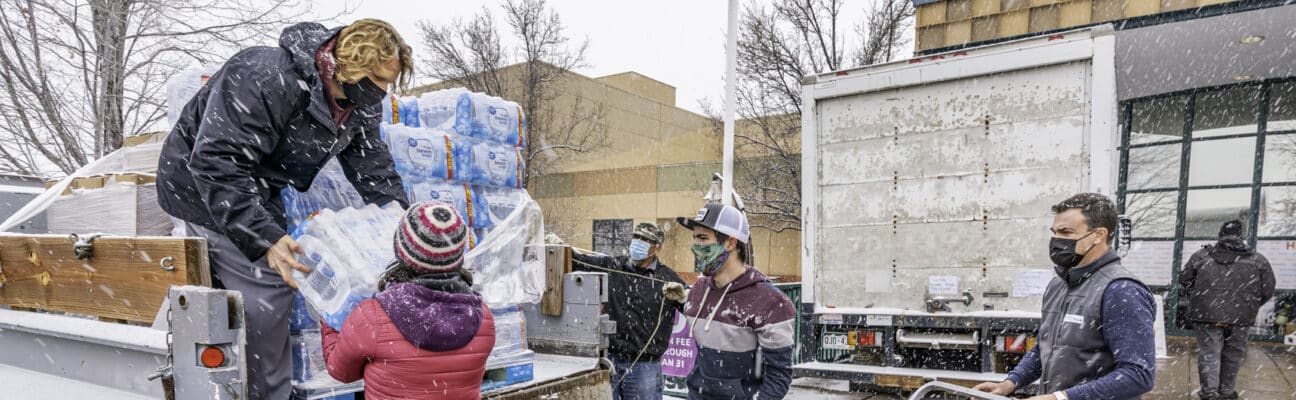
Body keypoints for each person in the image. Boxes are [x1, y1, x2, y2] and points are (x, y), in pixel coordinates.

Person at [155, 20, 412, 399]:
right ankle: (266, 393)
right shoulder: (263, 74)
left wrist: (407, 227)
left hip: (258, 183)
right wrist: (266, 240)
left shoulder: (360, 106)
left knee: (301, 265)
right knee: (271, 281)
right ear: (349, 64)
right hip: (198, 184)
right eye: (377, 78)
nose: (383, 90)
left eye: (389, 82)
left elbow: (374, 170)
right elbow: (214, 161)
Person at [975, 193, 1155, 400]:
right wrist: (1010, 383)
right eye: (1055, 232)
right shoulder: (1058, 285)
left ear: (1099, 235)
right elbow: (1047, 348)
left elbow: (1138, 375)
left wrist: (1060, 397)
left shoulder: (1121, 289)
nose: (1057, 240)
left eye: (1066, 232)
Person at [321, 201, 495, 400]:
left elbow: (340, 371)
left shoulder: (372, 316)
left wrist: (329, 320)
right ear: (458, 255)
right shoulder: (483, 318)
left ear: (400, 250)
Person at [677, 203, 795, 400]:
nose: (695, 245)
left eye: (703, 237)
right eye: (694, 238)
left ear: (730, 243)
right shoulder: (698, 290)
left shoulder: (771, 303)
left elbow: (778, 377)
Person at [571, 222, 686, 400]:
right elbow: (578, 261)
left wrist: (683, 297)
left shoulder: (667, 278)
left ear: (658, 247)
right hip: (610, 361)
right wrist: (560, 248)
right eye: (636, 237)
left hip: (644, 367)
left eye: (646, 239)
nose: (639, 242)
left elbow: (694, 308)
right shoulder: (613, 265)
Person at [1178, 219, 1275, 400]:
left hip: (1207, 313)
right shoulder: (1257, 260)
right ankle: (1227, 392)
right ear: (1241, 237)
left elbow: (1184, 279)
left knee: (1209, 354)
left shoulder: (1202, 256)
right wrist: (1248, 305)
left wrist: (1203, 295)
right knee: (1234, 355)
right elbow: (1268, 289)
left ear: (1220, 235)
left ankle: (1209, 393)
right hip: (1241, 316)